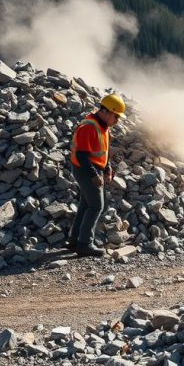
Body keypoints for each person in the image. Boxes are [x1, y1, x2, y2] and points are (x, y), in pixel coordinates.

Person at [68, 94, 125, 257]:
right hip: (85, 170)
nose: (117, 121)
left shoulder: (102, 127)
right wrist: (94, 175)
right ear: (106, 112)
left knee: (86, 205)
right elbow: (82, 156)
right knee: (96, 206)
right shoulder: (89, 127)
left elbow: (101, 152)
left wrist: (107, 169)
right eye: (116, 116)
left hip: (93, 168)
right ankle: (85, 244)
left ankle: (74, 241)